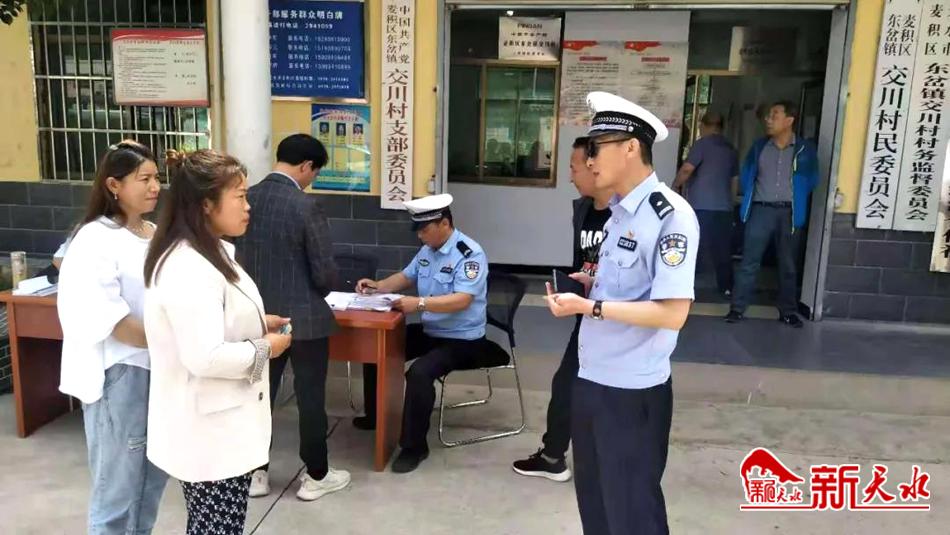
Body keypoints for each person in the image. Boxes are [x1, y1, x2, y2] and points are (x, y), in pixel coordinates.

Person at [545, 91, 699, 535]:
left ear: (631, 147)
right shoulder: (618, 213)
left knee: (632, 511)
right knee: (596, 505)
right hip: (592, 377)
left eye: (597, 148)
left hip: (631, 392)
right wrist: (593, 285)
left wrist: (590, 306)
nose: (590, 160)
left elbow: (672, 313)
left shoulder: (671, 217)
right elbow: (631, 288)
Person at [143, 149, 292, 535]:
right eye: (239, 196)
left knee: (213, 527)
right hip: (209, 435)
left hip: (218, 429)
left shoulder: (210, 253)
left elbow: (212, 319)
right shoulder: (188, 266)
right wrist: (266, 348)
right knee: (216, 529)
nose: (248, 206)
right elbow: (204, 356)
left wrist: (258, 323)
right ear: (206, 205)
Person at [57, 140, 168, 534]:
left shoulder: (155, 233)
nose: (155, 186)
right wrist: (175, 341)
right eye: (144, 178)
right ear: (113, 185)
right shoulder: (95, 238)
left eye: (157, 177)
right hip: (121, 372)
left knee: (149, 485)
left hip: (159, 369)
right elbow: (115, 322)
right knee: (117, 491)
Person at [352, 194, 507, 473]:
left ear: (444, 224)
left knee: (420, 373)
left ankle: (414, 447)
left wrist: (419, 303)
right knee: (378, 346)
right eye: (418, 230)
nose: (420, 235)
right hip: (432, 331)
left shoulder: (469, 254)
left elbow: (462, 300)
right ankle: (377, 415)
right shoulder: (428, 250)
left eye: (424, 229)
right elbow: (406, 276)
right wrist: (378, 286)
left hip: (464, 339)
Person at [233, 134, 350, 501]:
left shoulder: (244, 198)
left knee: (257, 396)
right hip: (305, 321)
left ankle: (256, 474)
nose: (312, 179)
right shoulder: (306, 206)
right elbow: (324, 272)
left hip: (257, 319)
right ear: (306, 166)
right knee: (310, 398)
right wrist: (329, 286)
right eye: (315, 172)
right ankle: (316, 476)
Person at [511, 136, 613, 482]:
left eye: (573, 167)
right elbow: (583, 263)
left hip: (619, 321)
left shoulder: (628, 215)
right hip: (587, 318)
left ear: (594, 166)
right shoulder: (583, 210)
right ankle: (553, 455)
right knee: (566, 384)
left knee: (606, 394)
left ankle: (604, 465)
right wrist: (573, 288)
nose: (570, 176)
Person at [725, 101, 819, 327]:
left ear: (789, 120)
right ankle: (737, 308)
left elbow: (813, 179)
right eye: (768, 116)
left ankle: (788, 311)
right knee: (749, 261)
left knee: (788, 264)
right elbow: (747, 173)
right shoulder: (759, 147)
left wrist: (796, 195)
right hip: (761, 210)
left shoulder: (804, 149)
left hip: (790, 213)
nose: (768, 120)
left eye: (774, 115)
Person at [673, 112, 739, 298]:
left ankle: (683, 287)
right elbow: (735, 180)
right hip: (724, 207)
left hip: (701, 205)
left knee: (692, 246)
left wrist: (674, 186)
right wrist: (731, 202)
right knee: (723, 249)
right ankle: (726, 287)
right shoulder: (730, 148)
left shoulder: (701, 145)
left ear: (705, 126)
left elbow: (687, 169)